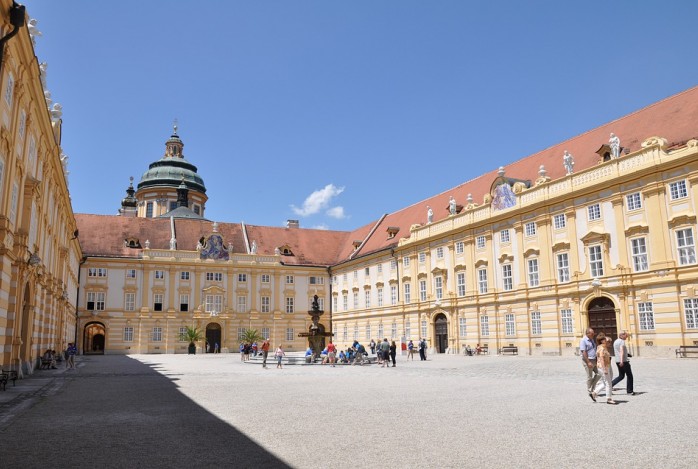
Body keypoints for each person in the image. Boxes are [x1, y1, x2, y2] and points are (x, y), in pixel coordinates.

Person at [580, 327, 602, 402]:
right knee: (589, 377)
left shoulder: (592, 339)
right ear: (588, 333)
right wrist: (588, 362)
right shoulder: (583, 340)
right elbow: (584, 352)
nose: (594, 334)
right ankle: (590, 390)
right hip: (588, 360)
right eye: (592, 333)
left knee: (599, 374)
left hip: (594, 359)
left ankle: (592, 388)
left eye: (593, 333)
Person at [612, 330, 635, 395]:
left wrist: (627, 354)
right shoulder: (622, 342)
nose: (626, 337)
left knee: (621, 376)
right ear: (622, 335)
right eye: (626, 335)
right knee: (629, 376)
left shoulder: (616, 341)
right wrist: (622, 361)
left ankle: (610, 386)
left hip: (617, 360)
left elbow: (618, 351)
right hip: (623, 361)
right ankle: (630, 391)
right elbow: (621, 351)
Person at [596, 334, 616, 404]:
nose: (606, 340)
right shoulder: (602, 348)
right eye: (604, 339)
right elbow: (601, 359)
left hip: (605, 366)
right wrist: (604, 369)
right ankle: (609, 398)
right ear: (602, 341)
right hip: (603, 367)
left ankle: (595, 392)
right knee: (608, 383)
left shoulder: (602, 347)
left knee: (606, 382)